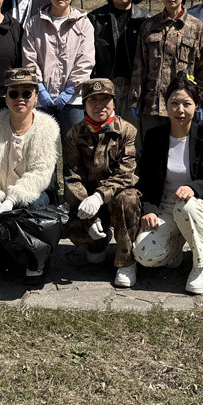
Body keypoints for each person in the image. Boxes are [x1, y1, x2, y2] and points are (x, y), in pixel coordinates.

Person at [0, 67, 61, 280]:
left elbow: (41, 172)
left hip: (32, 198)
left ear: (36, 96)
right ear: (6, 97)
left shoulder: (48, 127)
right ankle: (11, 254)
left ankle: (36, 258)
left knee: (33, 213)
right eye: (13, 93)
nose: (20, 98)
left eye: (27, 93)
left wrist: (12, 200)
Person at [133, 73, 203, 294]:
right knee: (144, 255)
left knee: (187, 206)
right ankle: (175, 249)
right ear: (166, 105)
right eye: (174, 103)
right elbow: (145, 179)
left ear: (196, 106)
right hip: (164, 206)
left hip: (195, 206)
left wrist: (193, 188)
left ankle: (202, 265)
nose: (180, 110)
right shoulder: (154, 136)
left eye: (186, 104)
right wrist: (149, 210)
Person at [63, 78, 142, 288]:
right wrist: (90, 216)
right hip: (89, 201)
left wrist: (100, 196)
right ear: (84, 105)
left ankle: (126, 260)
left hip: (115, 198)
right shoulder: (73, 135)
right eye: (93, 100)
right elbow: (72, 177)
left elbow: (126, 174)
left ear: (114, 102)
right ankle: (97, 244)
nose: (100, 105)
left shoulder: (128, 131)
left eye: (105, 99)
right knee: (75, 227)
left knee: (128, 199)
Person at [130, 0, 203, 134]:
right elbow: (139, 66)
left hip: (183, 106)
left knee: (182, 148)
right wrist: (135, 100)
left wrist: (201, 101)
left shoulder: (195, 27)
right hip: (153, 105)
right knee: (154, 148)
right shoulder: (149, 25)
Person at [22, 0, 95, 136]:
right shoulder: (34, 24)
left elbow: (85, 61)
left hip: (73, 100)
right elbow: (29, 58)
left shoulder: (83, 24)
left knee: (73, 146)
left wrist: (69, 90)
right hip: (41, 100)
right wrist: (40, 88)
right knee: (43, 147)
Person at [88, 0, 150, 124]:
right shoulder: (95, 19)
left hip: (135, 91)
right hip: (105, 89)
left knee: (132, 135)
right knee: (104, 133)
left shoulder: (146, 20)